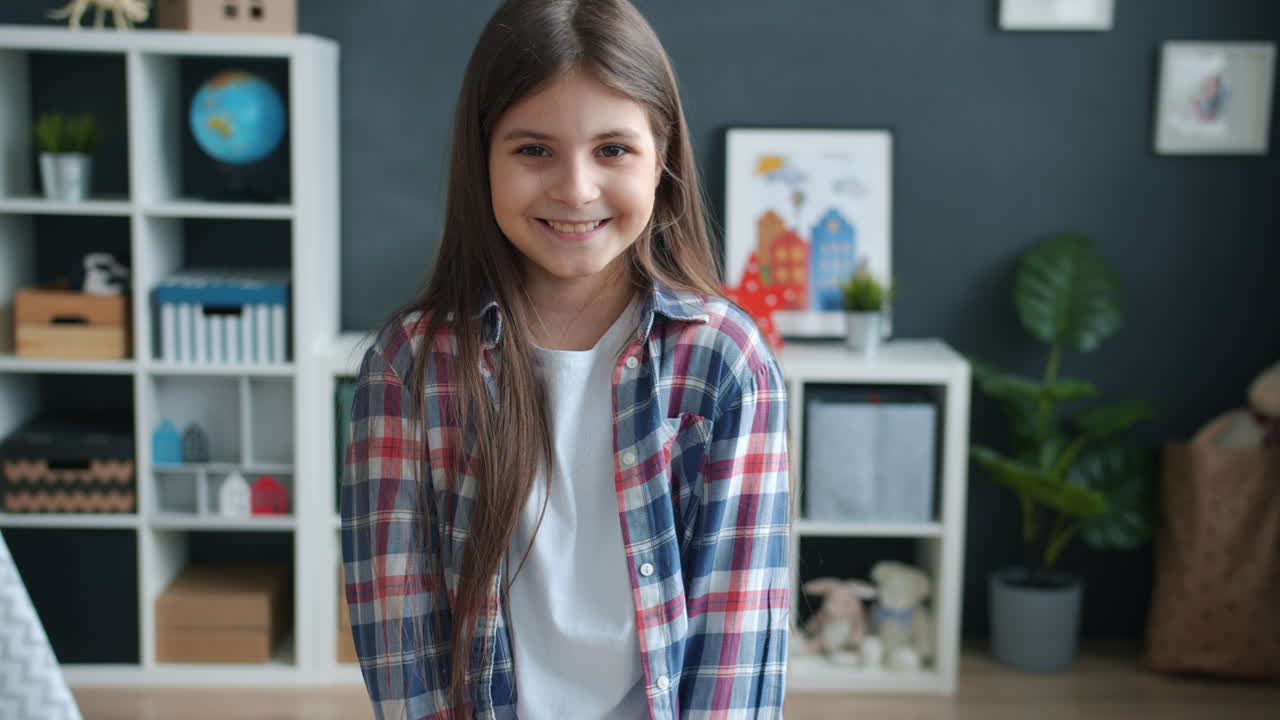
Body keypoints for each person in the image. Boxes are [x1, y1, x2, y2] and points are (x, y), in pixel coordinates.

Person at [341, 0, 791, 717]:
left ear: (663, 158)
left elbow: (737, 636)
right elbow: (400, 640)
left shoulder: (725, 362)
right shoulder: (408, 367)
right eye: (533, 149)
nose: (576, 189)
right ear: (481, 154)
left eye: (612, 149)